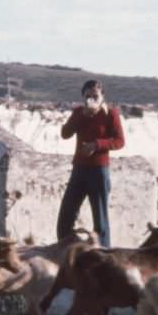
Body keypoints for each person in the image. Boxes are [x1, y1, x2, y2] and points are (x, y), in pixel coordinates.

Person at [56, 79, 125, 247]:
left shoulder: (110, 114)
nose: (92, 100)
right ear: (83, 98)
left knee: (100, 222)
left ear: (102, 97)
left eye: (96, 96)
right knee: (65, 218)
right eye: (88, 96)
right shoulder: (79, 112)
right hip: (79, 170)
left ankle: (103, 257)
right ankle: (70, 252)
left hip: (99, 171)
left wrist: (97, 145)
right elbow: (65, 134)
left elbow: (119, 141)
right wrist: (82, 116)